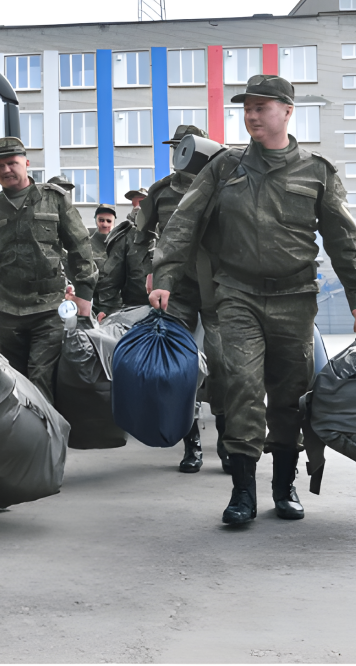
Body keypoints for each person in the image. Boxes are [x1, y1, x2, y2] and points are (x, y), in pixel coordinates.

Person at [149, 76, 356, 525]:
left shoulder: (316, 171)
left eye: (262, 107)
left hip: (295, 298)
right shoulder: (225, 166)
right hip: (237, 295)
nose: (252, 115)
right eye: (247, 108)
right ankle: (242, 493)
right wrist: (165, 275)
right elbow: (184, 222)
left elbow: (344, 238)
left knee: (289, 396)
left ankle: (284, 485)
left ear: (287, 112)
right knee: (242, 389)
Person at [0, 137, 97, 408]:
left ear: (26, 163)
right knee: (15, 380)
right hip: (7, 309)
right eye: (0, 165)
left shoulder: (53, 199)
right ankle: (26, 441)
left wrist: (85, 294)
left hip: (48, 307)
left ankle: (45, 441)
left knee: (40, 375)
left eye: (12, 163)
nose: (6, 170)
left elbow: (80, 245)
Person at [138, 124, 228, 475]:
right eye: (176, 146)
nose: (180, 153)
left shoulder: (226, 186)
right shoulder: (160, 192)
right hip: (177, 291)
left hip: (219, 290)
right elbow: (139, 236)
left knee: (223, 366)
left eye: (186, 146)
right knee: (178, 368)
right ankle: (190, 443)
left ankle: (226, 438)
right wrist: (154, 269)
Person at [95, 187, 153, 317]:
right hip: (135, 308)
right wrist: (105, 308)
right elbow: (112, 276)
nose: (137, 207)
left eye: (142, 202)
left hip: (169, 305)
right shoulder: (125, 235)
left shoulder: (165, 229)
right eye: (134, 203)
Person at [89, 204, 116, 313]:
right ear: (95, 220)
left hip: (119, 305)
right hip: (96, 306)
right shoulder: (87, 246)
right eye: (101, 220)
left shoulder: (121, 244)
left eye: (109, 221)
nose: (105, 224)